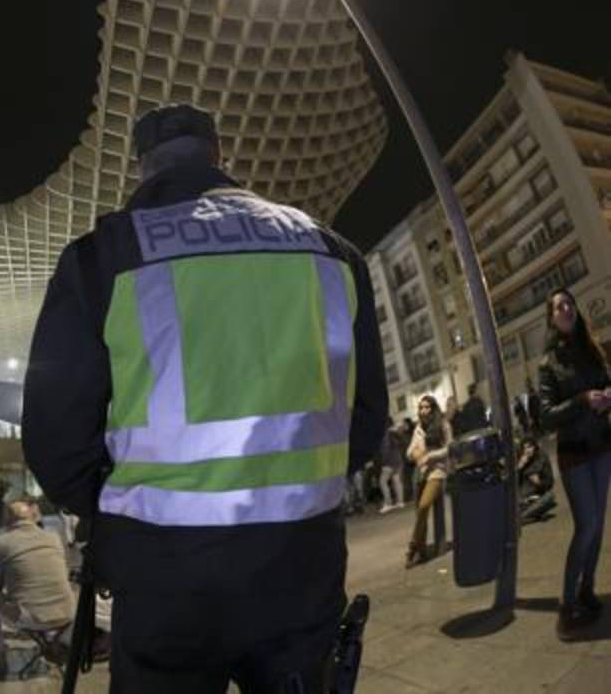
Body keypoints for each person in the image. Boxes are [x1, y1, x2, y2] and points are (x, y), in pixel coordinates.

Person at [22, 104, 388, 693]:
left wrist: (122, 521)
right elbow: (367, 418)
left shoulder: (102, 258)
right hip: (303, 564)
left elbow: (55, 440)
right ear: (219, 154)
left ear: (143, 167)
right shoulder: (331, 252)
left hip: (165, 579)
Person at [538, 288, 611, 640]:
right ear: (551, 319)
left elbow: (606, 385)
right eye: (558, 307)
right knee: (587, 524)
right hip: (574, 452)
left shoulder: (592, 349)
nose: (566, 308)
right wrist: (584, 400)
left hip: (602, 446)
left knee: (598, 526)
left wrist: (606, 398)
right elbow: (546, 417)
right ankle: (566, 606)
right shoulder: (548, 364)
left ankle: (588, 589)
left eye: (569, 303)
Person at [0, 499, 75, 672]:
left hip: (31, 617)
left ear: (7, 520)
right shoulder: (54, 538)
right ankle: (53, 635)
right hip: (67, 614)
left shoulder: (2, 543)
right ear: (33, 517)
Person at [406, 395, 452, 568]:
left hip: (438, 471)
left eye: (427, 407)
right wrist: (414, 454)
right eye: (421, 407)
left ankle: (413, 546)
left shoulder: (443, 424)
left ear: (433, 408)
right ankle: (423, 551)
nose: (423, 411)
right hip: (421, 473)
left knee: (424, 506)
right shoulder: (417, 428)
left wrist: (429, 456)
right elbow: (409, 451)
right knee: (421, 513)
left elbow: (449, 447)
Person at [517, 437, 556, 523]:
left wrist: (538, 482)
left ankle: (522, 517)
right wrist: (519, 467)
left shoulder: (542, 458)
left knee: (550, 497)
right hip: (520, 498)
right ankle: (527, 516)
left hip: (536, 496)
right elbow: (512, 484)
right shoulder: (520, 459)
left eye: (529, 447)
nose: (527, 451)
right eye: (525, 448)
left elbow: (550, 482)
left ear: (535, 447)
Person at [378, 422, 407, 514]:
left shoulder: (385, 434)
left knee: (382, 481)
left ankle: (388, 503)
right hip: (397, 459)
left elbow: (385, 449)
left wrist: (383, 461)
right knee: (396, 481)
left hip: (389, 461)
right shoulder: (393, 433)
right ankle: (400, 502)